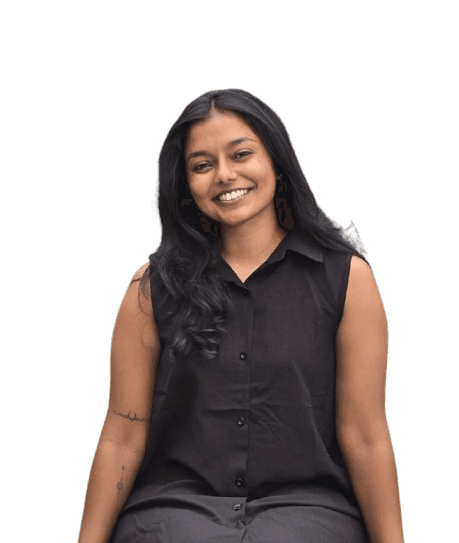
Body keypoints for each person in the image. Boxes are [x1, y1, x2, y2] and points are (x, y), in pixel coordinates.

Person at [78, 88, 405, 543]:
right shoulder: (151, 289)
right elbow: (123, 432)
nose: (224, 175)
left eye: (241, 154)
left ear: (276, 159)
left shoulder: (348, 280)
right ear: (185, 184)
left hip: (307, 514)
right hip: (175, 514)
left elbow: (365, 434)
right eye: (202, 165)